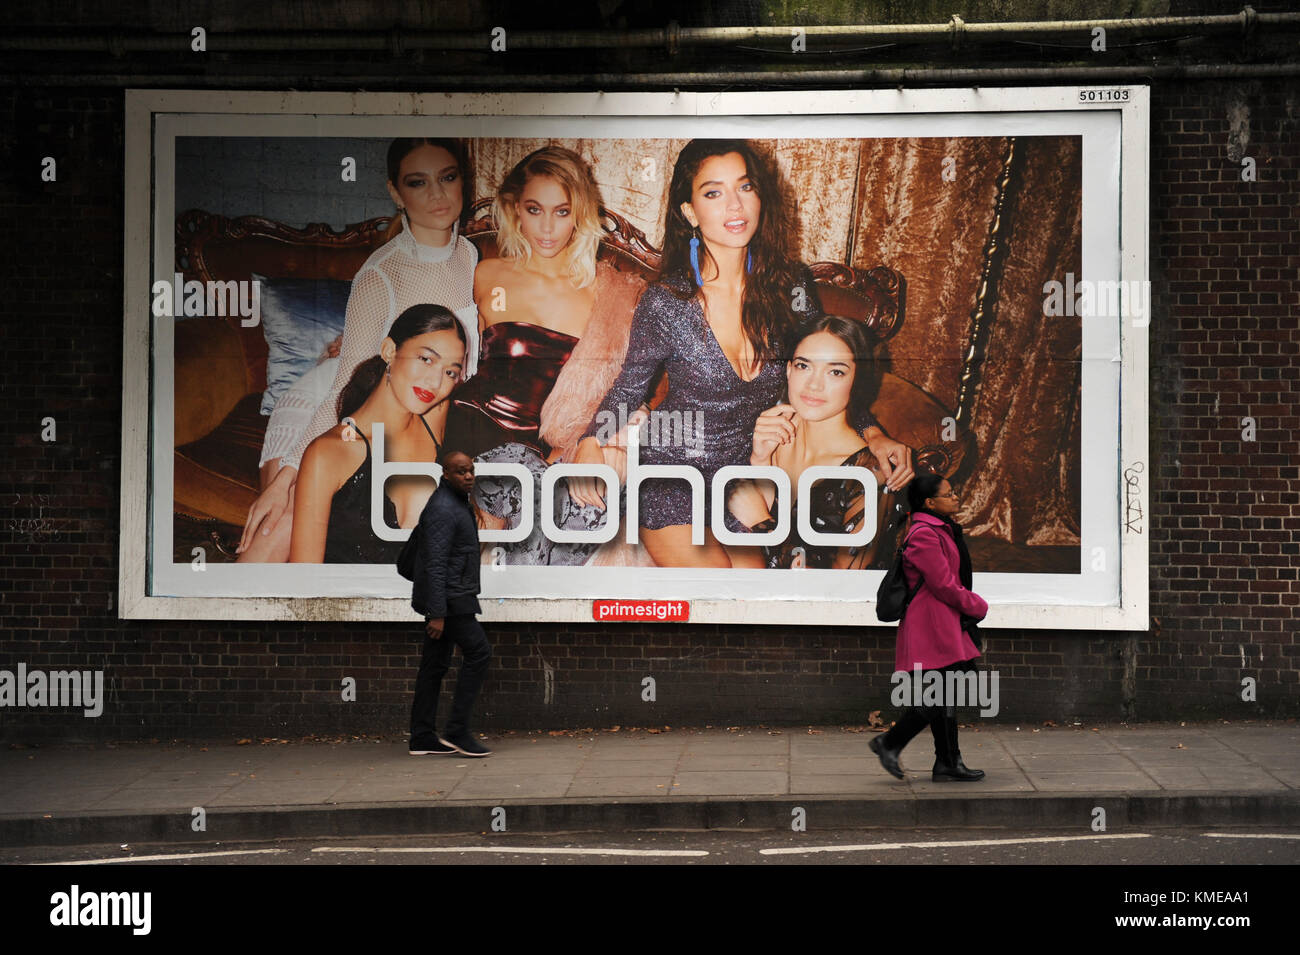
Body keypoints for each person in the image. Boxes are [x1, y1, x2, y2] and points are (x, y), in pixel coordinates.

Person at [570, 138, 913, 568]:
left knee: (760, 587)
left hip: (746, 478)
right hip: (672, 475)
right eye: (714, 192)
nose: (735, 205)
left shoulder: (792, 287)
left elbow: (822, 370)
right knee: (716, 584)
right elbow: (628, 387)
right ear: (690, 212)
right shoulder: (666, 301)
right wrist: (588, 441)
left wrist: (875, 435)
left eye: (745, 187)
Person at [239, 137, 479, 562]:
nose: (438, 195)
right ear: (396, 193)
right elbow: (341, 387)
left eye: (447, 177)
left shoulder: (469, 255)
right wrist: (284, 480)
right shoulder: (382, 273)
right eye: (418, 182)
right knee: (285, 520)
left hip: (399, 402)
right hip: (327, 399)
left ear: (464, 179)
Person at [443, 146, 645, 565]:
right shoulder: (486, 274)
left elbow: (619, 391)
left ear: (580, 213)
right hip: (476, 431)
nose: (548, 228)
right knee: (538, 494)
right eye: (535, 209)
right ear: (515, 208)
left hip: (549, 450)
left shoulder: (608, 293)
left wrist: (578, 446)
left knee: (592, 508)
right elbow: (439, 347)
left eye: (562, 211)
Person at [288, 305, 466, 563]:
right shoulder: (327, 455)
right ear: (389, 351)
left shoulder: (435, 413)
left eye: (450, 372)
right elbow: (303, 580)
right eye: (426, 359)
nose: (435, 382)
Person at [729, 314, 899, 569]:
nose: (814, 385)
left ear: (857, 380)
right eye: (803, 366)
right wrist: (760, 461)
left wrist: (761, 524)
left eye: (836, 371)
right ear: (788, 369)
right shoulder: (775, 431)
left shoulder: (870, 475)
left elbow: (841, 593)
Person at [868, 469, 988, 782]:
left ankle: (947, 762)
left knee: (946, 691)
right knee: (946, 690)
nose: (955, 497)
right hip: (932, 624)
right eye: (949, 494)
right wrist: (976, 605)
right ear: (930, 503)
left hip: (945, 622)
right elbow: (943, 584)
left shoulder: (940, 529)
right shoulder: (923, 534)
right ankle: (890, 743)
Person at [408, 450, 492, 757]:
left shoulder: (456, 502)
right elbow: (435, 564)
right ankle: (457, 731)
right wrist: (438, 614)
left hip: (450, 596)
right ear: (446, 474)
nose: (468, 476)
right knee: (479, 653)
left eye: (470, 470)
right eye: (460, 472)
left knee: (434, 666)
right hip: (451, 600)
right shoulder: (444, 508)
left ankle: (421, 736)